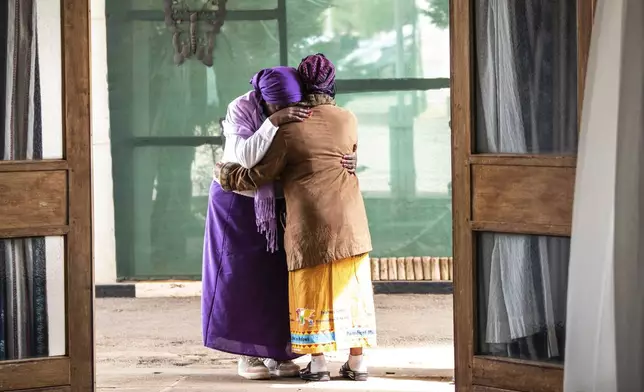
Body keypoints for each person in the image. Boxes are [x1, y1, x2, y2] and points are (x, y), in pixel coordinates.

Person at [215, 54, 376, 382]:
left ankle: (317, 365)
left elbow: (258, 173)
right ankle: (357, 364)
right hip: (351, 222)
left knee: (311, 288)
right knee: (352, 288)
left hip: (309, 224)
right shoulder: (348, 118)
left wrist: (226, 175)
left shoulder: (291, 128)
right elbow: (346, 155)